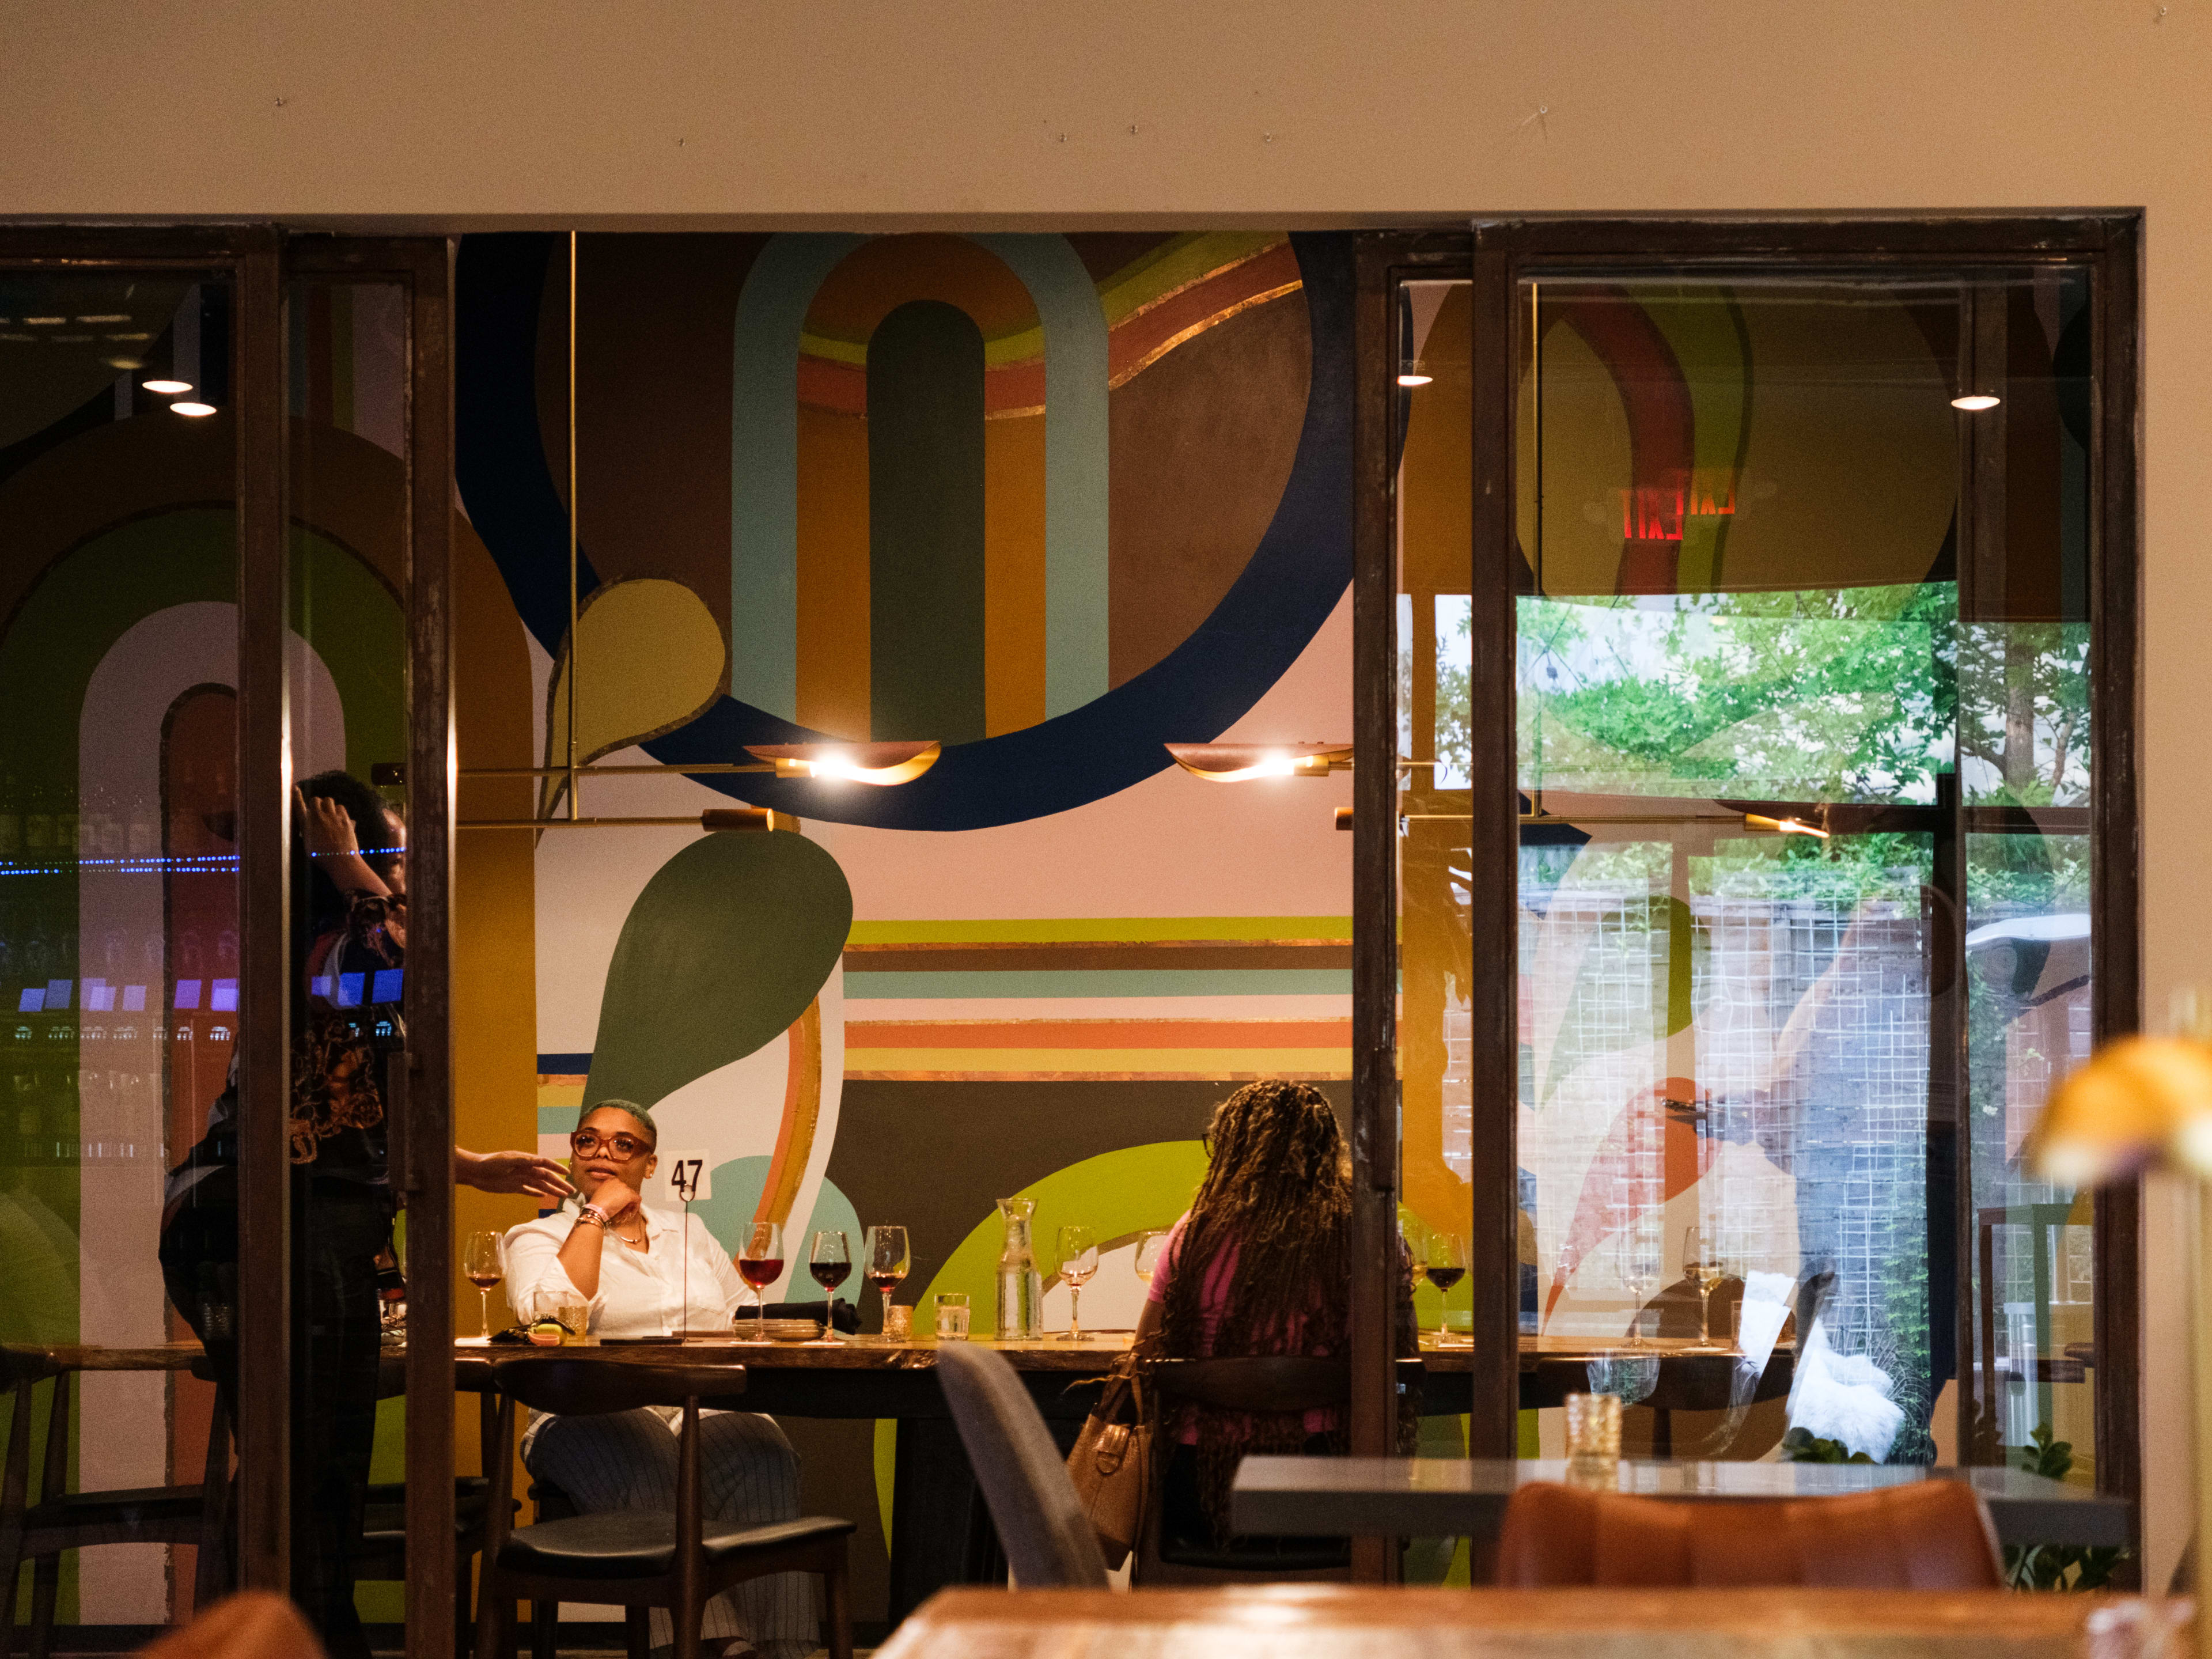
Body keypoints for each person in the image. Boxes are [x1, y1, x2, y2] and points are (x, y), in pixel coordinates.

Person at [158, 770, 571, 1659]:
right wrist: (351, 868)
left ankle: (291, 1636)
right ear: (329, 860)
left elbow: (381, 1058)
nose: (403, 868)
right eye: (387, 849)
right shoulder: (327, 947)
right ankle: (280, 1638)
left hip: (311, 1218)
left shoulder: (332, 957)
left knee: (319, 1461)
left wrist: (461, 1165)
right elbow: (398, 972)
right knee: (302, 1462)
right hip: (257, 1218)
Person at [502, 1101, 812, 1659]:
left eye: (624, 1145)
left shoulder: (688, 1234)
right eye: (588, 1141)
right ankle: (710, 1645)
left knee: (762, 1448)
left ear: (650, 1164)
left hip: (691, 1410)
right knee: (645, 1449)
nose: (603, 1153)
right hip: (579, 1414)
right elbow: (553, 1320)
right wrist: (594, 1216)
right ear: (573, 1153)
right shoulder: (536, 1236)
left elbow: (744, 1321)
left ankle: (781, 1650)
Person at [1132, 1078, 1414, 1554]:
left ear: (1234, 1150)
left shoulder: (1194, 1235)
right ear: (1329, 1149)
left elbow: (1146, 1354)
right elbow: (1400, 1356)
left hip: (1204, 1492)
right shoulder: (1370, 1233)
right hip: (1333, 1494)